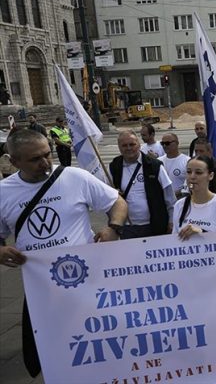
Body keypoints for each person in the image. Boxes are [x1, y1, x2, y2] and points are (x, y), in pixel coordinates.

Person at [0, 129, 128, 378]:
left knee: (100, 338)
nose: (45, 162)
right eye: (35, 159)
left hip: (88, 281)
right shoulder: (3, 192)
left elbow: (117, 203)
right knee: (53, 347)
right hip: (41, 287)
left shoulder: (74, 177)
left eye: (47, 154)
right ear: (14, 161)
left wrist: (114, 228)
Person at [109, 130, 175, 239]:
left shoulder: (155, 166)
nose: (129, 148)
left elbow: (170, 198)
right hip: (127, 227)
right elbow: (107, 198)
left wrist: (172, 221)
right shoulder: (114, 167)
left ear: (139, 144)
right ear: (119, 147)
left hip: (155, 226)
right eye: (124, 145)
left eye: (132, 144)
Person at [173, 155, 216, 240]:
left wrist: (202, 232)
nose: (192, 177)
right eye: (189, 172)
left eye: (198, 172)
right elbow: (175, 240)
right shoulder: (179, 205)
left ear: (210, 176)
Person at [158, 133, 190, 198]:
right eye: (162, 143)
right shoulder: (158, 161)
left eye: (167, 143)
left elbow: (191, 184)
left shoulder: (187, 161)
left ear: (177, 143)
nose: (164, 146)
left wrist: (176, 194)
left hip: (181, 200)